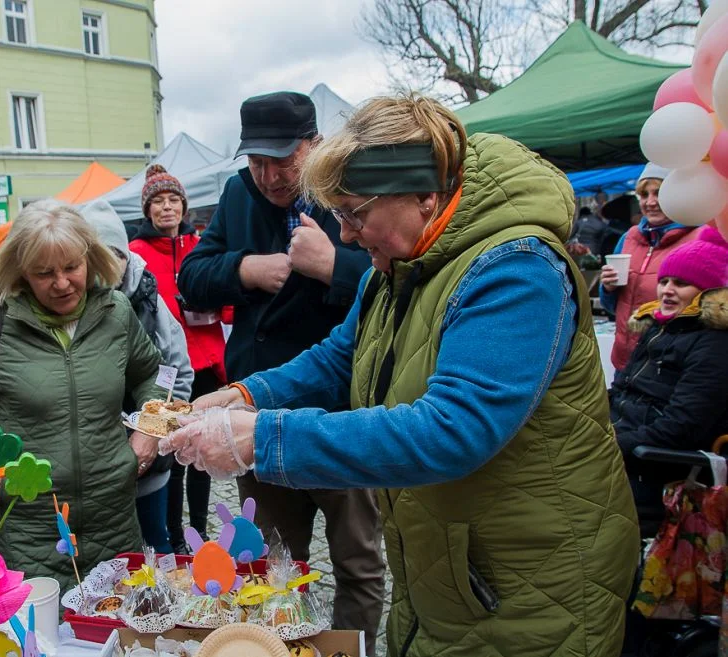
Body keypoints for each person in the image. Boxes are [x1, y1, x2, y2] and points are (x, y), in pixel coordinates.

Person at [164, 94, 640, 657]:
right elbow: (339, 358)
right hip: (453, 568)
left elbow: (453, 428)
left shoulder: (517, 268)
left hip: (532, 580)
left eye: (354, 212)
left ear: (425, 195)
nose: (343, 235)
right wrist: (242, 394)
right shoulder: (400, 265)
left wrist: (261, 438)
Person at [176, 91, 384, 652]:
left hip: (339, 411)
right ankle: (270, 647)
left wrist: (333, 267)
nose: (268, 176)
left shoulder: (344, 189)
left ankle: (350, 648)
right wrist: (245, 269)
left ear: (313, 145)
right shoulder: (238, 193)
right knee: (268, 559)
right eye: (256, 161)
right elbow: (192, 276)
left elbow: (394, 274)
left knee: (357, 559)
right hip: (256, 411)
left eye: (282, 160)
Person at [0, 199, 167, 590]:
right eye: (44, 273)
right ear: (21, 272)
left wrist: (149, 431)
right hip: (27, 531)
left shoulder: (116, 312)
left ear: (90, 257)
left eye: (72, 267)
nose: (62, 283)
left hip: (115, 522)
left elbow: (156, 374)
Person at [80, 198, 194, 554]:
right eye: (93, 257)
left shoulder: (151, 304)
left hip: (149, 466)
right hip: (90, 472)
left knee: (154, 546)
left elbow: (179, 374)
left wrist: (151, 439)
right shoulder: (71, 301)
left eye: (112, 255)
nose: (104, 268)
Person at [129, 164, 228, 553]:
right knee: (168, 454)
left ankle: (199, 532)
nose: (167, 208)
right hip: (165, 369)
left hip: (206, 364)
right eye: (158, 202)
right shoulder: (137, 253)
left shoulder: (201, 245)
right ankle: (171, 534)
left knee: (199, 452)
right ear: (148, 210)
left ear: (184, 206)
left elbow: (228, 304)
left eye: (173, 200)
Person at [610, 225, 728, 538]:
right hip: (623, 446)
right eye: (663, 281)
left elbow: (681, 427)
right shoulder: (660, 328)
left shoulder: (715, 344)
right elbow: (622, 391)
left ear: (709, 294)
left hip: (655, 469)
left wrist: (609, 444)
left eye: (681, 283)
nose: (667, 290)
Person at [599, 164, 697, 372]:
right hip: (625, 362)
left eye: (659, 193)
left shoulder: (697, 238)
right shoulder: (629, 238)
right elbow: (612, 308)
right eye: (644, 194)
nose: (650, 202)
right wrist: (608, 288)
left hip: (669, 364)